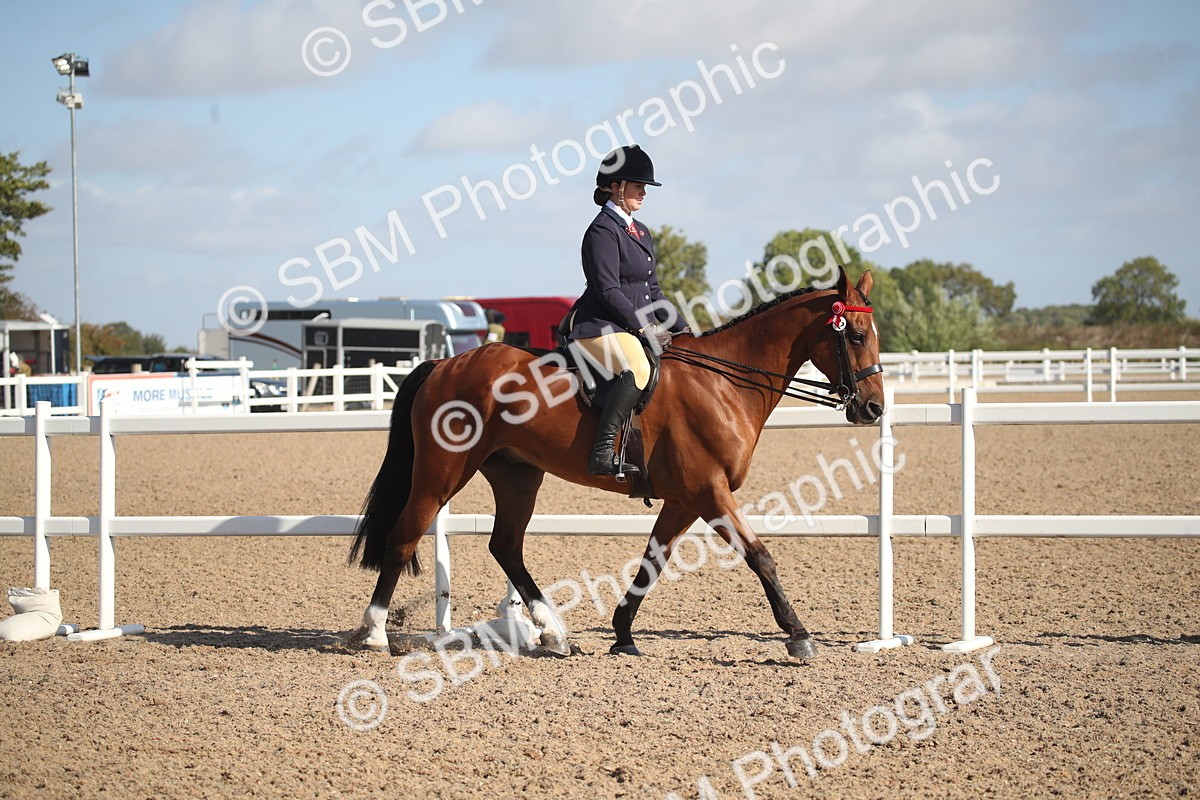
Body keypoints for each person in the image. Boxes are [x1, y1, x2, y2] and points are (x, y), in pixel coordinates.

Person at [565, 144, 690, 476]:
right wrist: (644, 328)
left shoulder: (640, 231)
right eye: (638, 186)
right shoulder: (602, 231)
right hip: (598, 326)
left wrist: (684, 328)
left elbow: (653, 290)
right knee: (637, 365)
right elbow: (608, 290)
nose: (644, 193)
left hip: (630, 327)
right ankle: (602, 451)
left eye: (644, 187)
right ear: (616, 187)